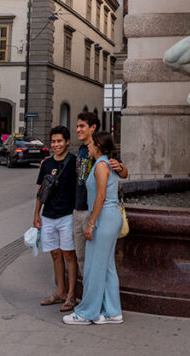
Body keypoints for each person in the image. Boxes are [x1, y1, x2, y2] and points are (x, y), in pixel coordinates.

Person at [63, 131, 124, 326]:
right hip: (109, 218)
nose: (87, 147)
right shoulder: (106, 163)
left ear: (98, 146)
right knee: (107, 267)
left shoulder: (101, 165)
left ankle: (87, 312)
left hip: (104, 218)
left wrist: (91, 223)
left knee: (93, 268)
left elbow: (101, 196)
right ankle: (113, 312)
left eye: (90, 144)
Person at [72, 112, 127, 276]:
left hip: (95, 213)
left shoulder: (105, 153)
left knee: (95, 260)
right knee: (81, 257)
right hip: (79, 209)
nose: (78, 130)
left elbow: (124, 173)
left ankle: (95, 290)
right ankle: (87, 288)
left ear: (93, 127)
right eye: (77, 126)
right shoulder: (82, 150)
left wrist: (120, 167)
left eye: (82, 126)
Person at [32, 126, 78, 312]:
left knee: (69, 254)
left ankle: (71, 295)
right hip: (48, 216)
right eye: (53, 142)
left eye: (59, 141)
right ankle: (60, 292)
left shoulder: (74, 162)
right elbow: (41, 190)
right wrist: (36, 213)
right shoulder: (47, 163)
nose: (56, 145)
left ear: (67, 142)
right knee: (55, 254)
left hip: (67, 215)